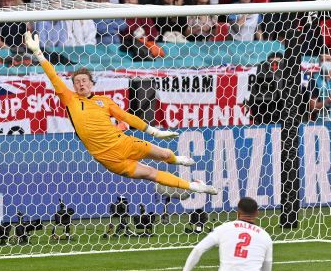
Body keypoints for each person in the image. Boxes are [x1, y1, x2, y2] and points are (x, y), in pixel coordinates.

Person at [24, 30, 217, 195]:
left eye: (84, 80)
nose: (81, 84)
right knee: (150, 174)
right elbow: (53, 76)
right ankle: (195, 187)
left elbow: (126, 117)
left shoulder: (105, 101)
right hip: (108, 158)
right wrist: (38, 52)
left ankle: (177, 160)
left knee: (165, 154)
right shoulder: (70, 99)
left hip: (124, 142)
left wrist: (155, 132)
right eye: (77, 82)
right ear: (73, 86)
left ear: (92, 83)